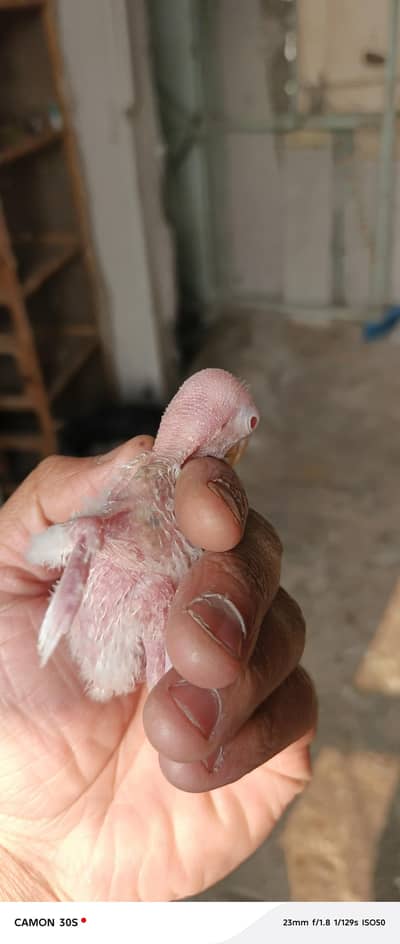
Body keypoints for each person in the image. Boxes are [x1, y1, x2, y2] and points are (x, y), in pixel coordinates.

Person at [0, 436, 317, 901]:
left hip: (137, 771)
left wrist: (40, 882)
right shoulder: (134, 484)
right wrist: (32, 868)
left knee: (206, 639)